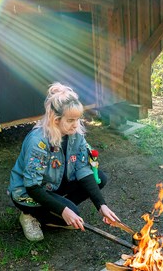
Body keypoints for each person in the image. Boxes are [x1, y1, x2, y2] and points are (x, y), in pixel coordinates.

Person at [7, 82, 121, 241]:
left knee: (99, 178)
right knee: (71, 213)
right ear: (55, 119)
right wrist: (64, 210)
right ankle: (30, 215)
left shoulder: (76, 134)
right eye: (71, 120)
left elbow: (83, 169)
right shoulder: (38, 142)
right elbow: (32, 186)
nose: (76, 125)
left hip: (53, 183)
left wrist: (101, 205)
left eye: (78, 119)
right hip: (28, 191)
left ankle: (52, 209)